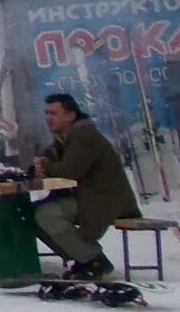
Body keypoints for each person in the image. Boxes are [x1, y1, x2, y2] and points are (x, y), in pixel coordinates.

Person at [30, 91, 137, 282]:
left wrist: (45, 166)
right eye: (47, 113)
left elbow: (70, 171)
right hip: (89, 197)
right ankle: (83, 258)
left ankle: (94, 260)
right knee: (31, 214)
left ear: (71, 115)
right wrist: (36, 167)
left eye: (54, 113)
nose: (48, 118)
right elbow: (51, 159)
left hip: (107, 200)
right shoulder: (66, 138)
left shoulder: (85, 136)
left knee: (47, 214)